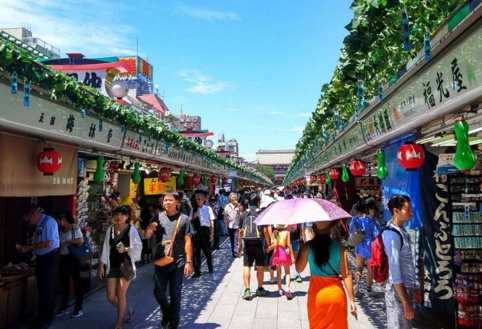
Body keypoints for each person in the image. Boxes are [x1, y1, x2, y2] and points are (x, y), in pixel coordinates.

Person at [296, 221, 357, 329]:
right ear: (331, 229)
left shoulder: (307, 247)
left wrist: (300, 249)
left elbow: (299, 269)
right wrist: (352, 299)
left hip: (317, 297)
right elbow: (346, 275)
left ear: (314, 230)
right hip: (336, 296)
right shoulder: (339, 247)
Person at [145, 192, 193, 329]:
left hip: (178, 262)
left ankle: (174, 321)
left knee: (175, 293)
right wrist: (150, 229)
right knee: (158, 291)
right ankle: (166, 312)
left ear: (176, 202)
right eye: (165, 200)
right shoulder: (157, 218)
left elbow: (188, 240)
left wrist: (188, 262)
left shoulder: (184, 219)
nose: (167, 202)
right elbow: (147, 236)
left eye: (170, 200)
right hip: (161, 261)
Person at [99, 206, 142, 329]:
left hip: (125, 265)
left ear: (127, 217)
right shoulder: (110, 230)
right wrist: (102, 265)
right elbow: (106, 248)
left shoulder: (131, 230)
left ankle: (118, 323)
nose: (119, 217)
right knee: (111, 296)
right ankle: (128, 310)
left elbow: (138, 246)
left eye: (122, 215)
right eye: (117, 214)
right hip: (112, 265)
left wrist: (126, 249)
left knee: (121, 294)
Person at [17, 206, 60, 329]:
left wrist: (29, 247)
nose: (29, 223)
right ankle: (41, 318)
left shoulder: (49, 222)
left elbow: (49, 243)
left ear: (34, 216)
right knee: (41, 288)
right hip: (42, 257)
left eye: (29, 220)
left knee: (48, 288)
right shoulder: (40, 223)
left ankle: (46, 319)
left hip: (50, 258)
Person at [384, 195, 422, 328]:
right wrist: (405, 301)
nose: (411, 212)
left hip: (405, 288)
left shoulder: (401, 232)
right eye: (408, 209)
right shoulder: (392, 235)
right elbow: (395, 273)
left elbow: (406, 265)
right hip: (398, 291)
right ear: (396, 211)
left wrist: (413, 288)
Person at [238, 193, 269, 300]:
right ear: (258, 202)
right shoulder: (261, 213)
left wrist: (239, 245)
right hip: (259, 243)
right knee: (260, 266)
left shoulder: (243, 214)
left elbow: (240, 231)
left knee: (247, 266)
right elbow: (265, 230)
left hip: (247, 243)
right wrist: (269, 244)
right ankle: (260, 289)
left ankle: (247, 290)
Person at [54, 211, 84, 318]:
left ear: (64, 219)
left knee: (76, 282)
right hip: (62, 257)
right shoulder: (59, 230)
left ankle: (78, 307)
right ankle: (63, 307)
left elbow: (80, 240)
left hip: (72, 257)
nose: (57, 222)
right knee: (64, 282)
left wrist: (66, 241)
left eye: (58, 220)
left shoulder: (74, 227)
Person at [349, 201, 380, 297]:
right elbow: (377, 234)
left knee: (359, 266)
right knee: (370, 268)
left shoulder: (354, 219)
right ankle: (368, 290)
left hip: (359, 244)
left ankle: (356, 284)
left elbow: (350, 232)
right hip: (370, 246)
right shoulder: (371, 220)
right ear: (366, 208)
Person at [191, 192, 215, 277]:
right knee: (196, 252)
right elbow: (190, 220)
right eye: (196, 199)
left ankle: (210, 267)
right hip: (197, 231)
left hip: (205, 231)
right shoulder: (193, 209)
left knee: (207, 250)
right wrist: (195, 215)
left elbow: (212, 221)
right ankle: (197, 270)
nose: (198, 200)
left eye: (199, 198)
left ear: (203, 199)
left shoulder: (208, 208)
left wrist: (212, 233)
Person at [269, 224, 295, 299]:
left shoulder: (275, 233)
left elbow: (274, 244)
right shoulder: (287, 233)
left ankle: (280, 289)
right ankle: (287, 288)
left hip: (277, 253)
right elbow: (289, 244)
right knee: (287, 272)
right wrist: (292, 255)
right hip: (284, 253)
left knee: (278, 272)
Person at [224, 193, 240, 257]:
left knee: (236, 239)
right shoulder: (227, 206)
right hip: (230, 225)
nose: (234, 198)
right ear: (230, 199)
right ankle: (233, 251)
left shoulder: (238, 205)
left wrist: (238, 205)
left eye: (235, 197)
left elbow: (242, 211)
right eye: (233, 197)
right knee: (232, 239)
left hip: (237, 225)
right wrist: (225, 223)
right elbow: (225, 215)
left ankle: (235, 252)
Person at [138, 199, 152, 264]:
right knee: (148, 244)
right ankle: (148, 258)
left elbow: (142, 220)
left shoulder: (143, 211)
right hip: (149, 229)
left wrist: (139, 219)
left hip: (144, 229)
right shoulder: (148, 210)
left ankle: (145, 258)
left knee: (144, 244)